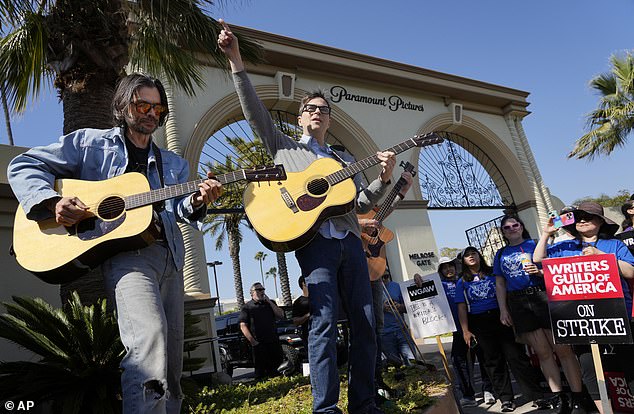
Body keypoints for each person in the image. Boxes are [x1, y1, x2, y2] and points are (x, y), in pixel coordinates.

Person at [7, 73, 223, 413]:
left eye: (158, 108)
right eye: (143, 105)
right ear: (123, 106)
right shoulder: (89, 143)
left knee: (171, 365)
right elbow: (24, 164)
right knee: (147, 346)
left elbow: (183, 209)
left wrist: (199, 200)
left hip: (171, 258)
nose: (152, 113)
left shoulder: (175, 165)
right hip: (128, 259)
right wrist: (52, 202)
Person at [218, 21, 396, 413]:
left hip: (350, 243)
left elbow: (360, 200)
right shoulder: (284, 149)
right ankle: (326, 407)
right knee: (323, 321)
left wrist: (384, 179)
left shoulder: (344, 160)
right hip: (316, 247)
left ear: (329, 121)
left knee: (367, 323)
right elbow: (254, 113)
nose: (317, 113)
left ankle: (364, 401)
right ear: (301, 118)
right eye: (310, 109)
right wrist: (236, 61)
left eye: (324, 110)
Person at [534, 201, 634, 414]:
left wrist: (602, 257)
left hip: (616, 316)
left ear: (600, 222)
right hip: (580, 319)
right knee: (589, 369)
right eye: (578, 217)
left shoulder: (614, 245)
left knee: (630, 365)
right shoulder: (564, 247)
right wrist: (546, 233)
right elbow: (538, 259)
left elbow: (630, 272)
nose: (581, 220)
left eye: (587, 217)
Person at [494, 215, 584, 413]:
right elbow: (500, 283)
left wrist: (539, 272)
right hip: (518, 302)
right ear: (503, 232)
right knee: (543, 352)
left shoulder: (536, 243)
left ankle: (578, 397)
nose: (511, 229)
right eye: (507, 227)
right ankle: (560, 399)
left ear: (522, 226)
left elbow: (556, 270)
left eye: (515, 225)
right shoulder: (500, 254)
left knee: (563, 350)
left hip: (544, 296)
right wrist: (503, 309)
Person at [456, 246, 545, 412]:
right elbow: (461, 307)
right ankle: (506, 399)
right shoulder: (462, 281)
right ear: (463, 261)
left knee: (516, 356)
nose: (471, 257)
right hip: (480, 322)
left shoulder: (493, 273)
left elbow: (504, 289)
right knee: (493, 361)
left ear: (479, 255)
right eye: (467, 255)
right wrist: (465, 330)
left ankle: (535, 395)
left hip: (501, 316)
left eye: (473, 253)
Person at [430, 257, 494, 408]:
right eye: (444, 268)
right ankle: (468, 394)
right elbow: (420, 290)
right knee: (459, 361)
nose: (448, 270)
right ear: (440, 271)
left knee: (484, 359)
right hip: (458, 330)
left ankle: (488, 390)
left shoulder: (464, 279)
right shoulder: (439, 285)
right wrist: (417, 278)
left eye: (450, 266)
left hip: (475, 327)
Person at [240, 282, 285, 379]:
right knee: (261, 374)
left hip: (274, 342)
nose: (262, 291)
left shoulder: (270, 303)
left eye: (263, 289)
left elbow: (281, 315)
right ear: (252, 293)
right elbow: (243, 325)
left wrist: (269, 302)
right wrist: (253, 342)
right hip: (259, 344)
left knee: (277, 370)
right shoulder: (247, 307)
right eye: (259, 290)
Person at [380, 272, 415, 366]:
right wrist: (381, 308)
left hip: (401, 330)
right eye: (380, 277)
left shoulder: (396, 286)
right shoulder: (370, 290)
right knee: (395, 368)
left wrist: (399, 306)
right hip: (384, 334)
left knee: (412, 363)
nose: (383, 280)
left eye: (385, 277)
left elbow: (409, 307)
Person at [292, 275, 310, 347]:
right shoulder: (298, 302)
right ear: (304, 283)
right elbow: (295, 321)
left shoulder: (318, 298)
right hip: (309, 336)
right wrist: (307, 315)